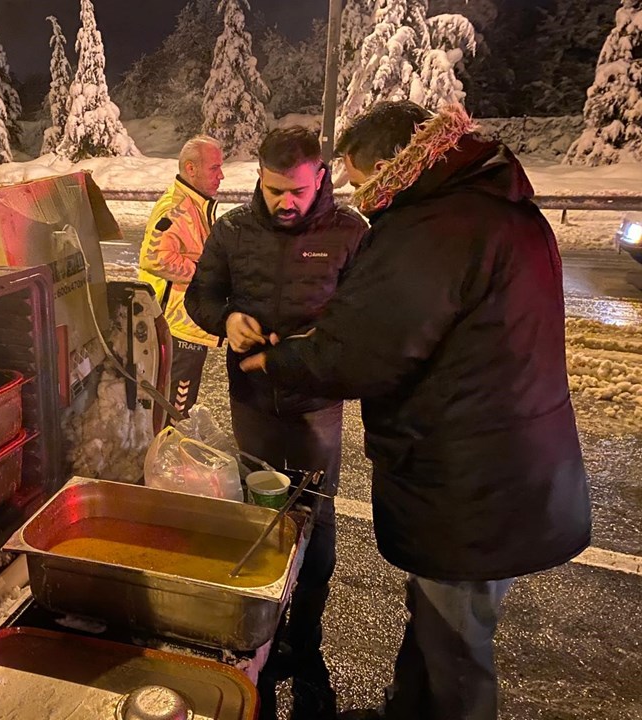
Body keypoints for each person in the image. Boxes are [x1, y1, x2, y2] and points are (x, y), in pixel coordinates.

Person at [240, 101, 593, 720]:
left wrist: (279, 362)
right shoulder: (492, 208)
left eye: (350, 171)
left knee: (456, 647)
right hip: (503, 465)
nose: (347, 186)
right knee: (439, 621)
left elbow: (365, 347)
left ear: (387, 164)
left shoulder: (436, 227)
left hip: (470, 478)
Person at [185, 126, 368, 720]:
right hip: (253, 399)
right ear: (257, 179)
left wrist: (328, 344)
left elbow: (367, 317)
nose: (284, 203)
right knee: (259, 510)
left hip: (317, 403)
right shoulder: (234, 230)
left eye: (296, 191)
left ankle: (305, 641)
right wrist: (227, 317)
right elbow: (200, 294)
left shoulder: (351, 234)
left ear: (321, 178)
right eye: (272, 190)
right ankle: (261, 629)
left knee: (315, 514)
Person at [138, 135, 224, 416]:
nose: (221, 176)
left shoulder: (195, 204)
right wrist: (204, 274)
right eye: (214, 168)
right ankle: (169, 457)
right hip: (177, 326)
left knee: (179, 408)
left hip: (188, 323)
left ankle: (173, 453)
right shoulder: (177, 209)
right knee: (175, 413)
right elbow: (154, 258)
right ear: (191, 168)